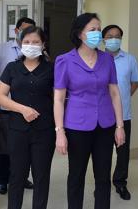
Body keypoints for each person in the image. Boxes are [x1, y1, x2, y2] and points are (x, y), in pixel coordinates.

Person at [54, 13, 125, 209]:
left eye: (98, 30)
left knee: (103, 176)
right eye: (92, 29)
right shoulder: (65, 60)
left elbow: (115, 93)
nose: (97, 33)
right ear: (79, 34)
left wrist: (120, 126)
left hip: (105, 124)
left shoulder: (107, 59)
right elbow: (58, 99)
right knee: (76, 175)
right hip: (77, 126)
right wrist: (59, 132)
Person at [0, 26, 54, 209]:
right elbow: (1, 97)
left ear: (43, 44)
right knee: (17, 176)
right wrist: (22, 109)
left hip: (44, 131)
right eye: (27, 42)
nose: (31, 45)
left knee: (41, 176)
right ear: (21, 44)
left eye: (36, 42)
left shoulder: (52, 69)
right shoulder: (12, 68)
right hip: (17, 130)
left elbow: (59, 98)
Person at [0, 17, 36, 194]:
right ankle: (3, 180)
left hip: (29, 109)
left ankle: (21, 177)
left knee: (26, 147)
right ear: (16, 31)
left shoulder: (36, 50)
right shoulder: (1, 49)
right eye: (24, 31)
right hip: (7, 105)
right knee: (6, 146)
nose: (27, 35)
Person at [102, 24, 138, 200]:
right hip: (101, 116)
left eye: (117, 36)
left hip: (123, 116)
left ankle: (120, 183)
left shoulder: (130, 59)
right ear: (103, 39)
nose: (113, 39)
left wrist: (122, 98)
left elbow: (135, 83)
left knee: (122, 152)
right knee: (102, 152)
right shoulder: (97, 58)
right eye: (109, 36)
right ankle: (101, 183)